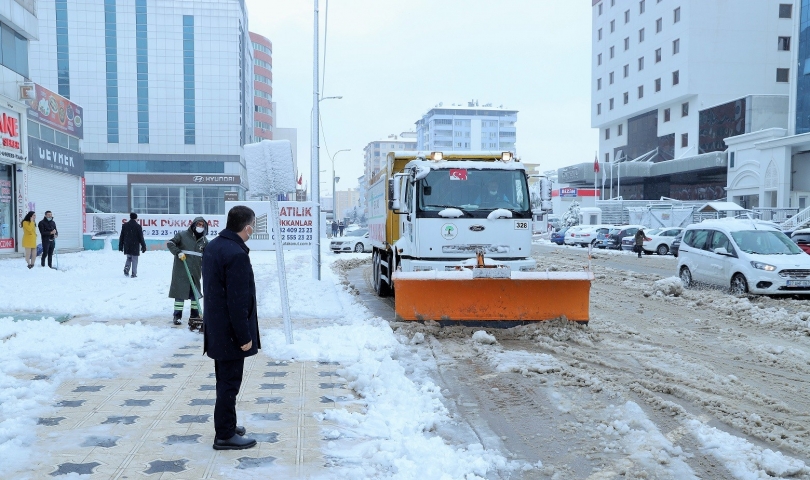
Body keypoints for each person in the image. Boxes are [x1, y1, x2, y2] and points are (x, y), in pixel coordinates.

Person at [202, 205, 260, 451]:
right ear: (247, 227)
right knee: (229, 384)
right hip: (230, 334)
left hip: (216, 330)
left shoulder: (214, 246)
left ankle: (227, 424)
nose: (253, 229)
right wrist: (244, 336)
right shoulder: (236, 254)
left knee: (223, 380)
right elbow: (237, 301)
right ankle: (224, 434)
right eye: (253, 225)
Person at [166, 217, 208, 327]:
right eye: (198, 224)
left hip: (195, 271)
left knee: (195, 294)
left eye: (202, 225)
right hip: (182, 270)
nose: (200, 227)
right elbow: (170, 243)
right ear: (194, 225)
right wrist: (178, 252)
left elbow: (208, 256)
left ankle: (194, 317)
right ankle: (177, 316)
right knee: (180, 294)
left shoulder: (204, 241)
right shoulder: (182, 235)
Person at [119, 212, 147, 278]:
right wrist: (143, 246)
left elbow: (121, 236)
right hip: (135, 245)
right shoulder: (138, 226)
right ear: (136, 218)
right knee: (134, 259)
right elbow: (141, 237)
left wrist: (120, 246)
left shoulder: (125, 226)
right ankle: (133, 274)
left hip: (127, 245)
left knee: (129, 258)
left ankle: (127, 267)